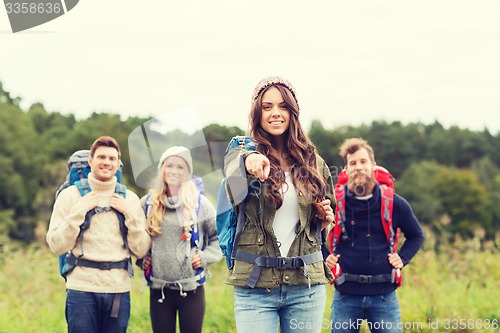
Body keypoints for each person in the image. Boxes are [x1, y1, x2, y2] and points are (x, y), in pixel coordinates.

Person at [223, 76, 335, 333]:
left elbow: (322, 226)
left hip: (305, 285)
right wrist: (249, 158)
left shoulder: (314, 163)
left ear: (293, 112)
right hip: (255, 286)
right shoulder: (240, 155)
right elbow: (232, 179)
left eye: (283, 106)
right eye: (267, 107)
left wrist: (325, 221)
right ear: (257, 112)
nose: (275, 113)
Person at [46, 135, 151, 333]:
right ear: (91, 161)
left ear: (118, 164)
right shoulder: (70, 196)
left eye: (112, 159)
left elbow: (141, 249)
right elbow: (56, 245)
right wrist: (79, 211)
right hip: (81, 288)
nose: (106, 162)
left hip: (118, 289)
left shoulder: (130, 198)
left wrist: (130, 215)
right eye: (101, 157)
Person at [325, 138, 425, 333]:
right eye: (353, 163)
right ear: (346, 169)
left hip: (384, 296)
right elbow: (311, 232)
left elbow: (416, 235)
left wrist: (402, 258)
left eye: (363, 162)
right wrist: (324, 256)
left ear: (373, 165)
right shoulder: (335, 202)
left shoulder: (395, 203)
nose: (358, 167)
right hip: (345, 294)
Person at [140, 146, 222, 333]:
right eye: (169, 166)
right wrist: (142, 259)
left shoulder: (200, 204)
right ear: (162, 169)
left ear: (188, 172)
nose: (174, 171)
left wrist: (204, 257)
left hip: (191, 290)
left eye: (180, 167)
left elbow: (218, 237)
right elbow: (136, 237)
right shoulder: (148, 203)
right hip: (159, 290)